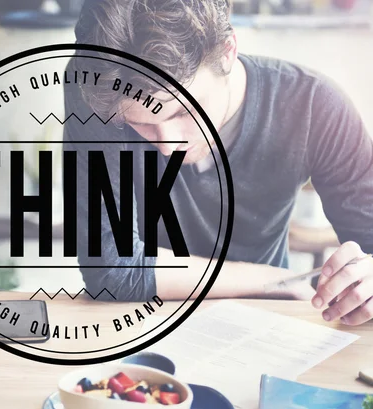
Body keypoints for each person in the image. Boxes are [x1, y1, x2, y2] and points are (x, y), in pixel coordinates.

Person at [62, 0, 373, 326]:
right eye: (136, 122)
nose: (168, 146)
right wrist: (272, 281)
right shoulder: (98, 85)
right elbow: (111, 271)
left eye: (183, 111)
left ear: (227, 51)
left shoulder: (313, 104)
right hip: (144, 322)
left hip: (269, 323)